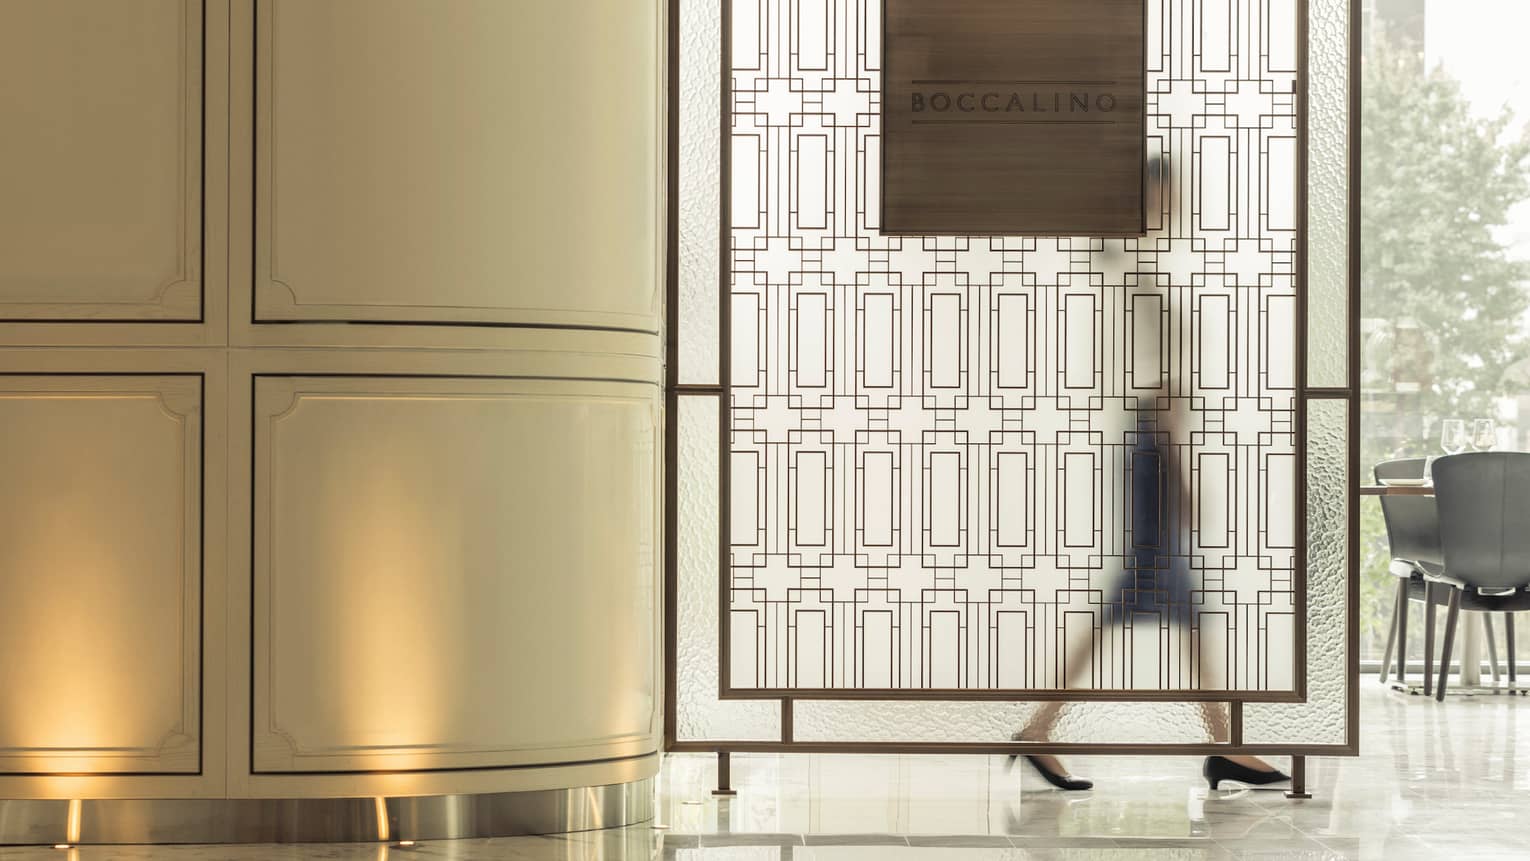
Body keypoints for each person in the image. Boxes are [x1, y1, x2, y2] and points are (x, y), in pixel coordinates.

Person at [1007, 154, 1291, 793]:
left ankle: (1219, 743)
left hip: (1148, 444)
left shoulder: (1134, 265)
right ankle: (1215, 744)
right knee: (1151, 594)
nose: (1180, 199)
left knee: (1172, 601)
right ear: (1148, 197)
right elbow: (1157, 389)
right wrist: (1179, 466)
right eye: (1169, 190)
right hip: (1151, 446)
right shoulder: (1143, 271)